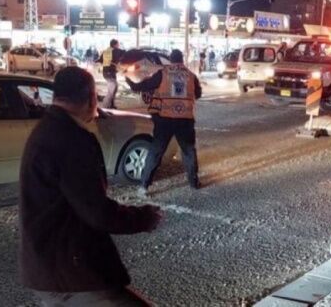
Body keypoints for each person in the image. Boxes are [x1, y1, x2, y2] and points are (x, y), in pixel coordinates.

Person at [19, 67, 162, 306]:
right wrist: (144, 218)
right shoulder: (73, 139)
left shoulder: (48, 128)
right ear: (91, 98)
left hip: (47, 267)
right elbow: (96, 210)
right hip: (69, 273)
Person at [125, 49, 202, 196]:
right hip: (185, 119)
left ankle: (144, 186)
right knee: (188, 151)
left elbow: (140, 86)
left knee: (156, 152)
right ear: (182, 60)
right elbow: (198, 94)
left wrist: (128, 79)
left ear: (171, 60)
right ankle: (193, 182)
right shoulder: (191, 76)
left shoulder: (163, 73)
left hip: (164, 119)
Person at [98, 39, 124, 109]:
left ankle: (111, 105)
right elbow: (125, 53)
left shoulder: (105, 51)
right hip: (110, 72)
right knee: (113, 88)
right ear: (115, 45)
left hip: (106, 72)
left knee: (113, 88)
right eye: (118, 44)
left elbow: (100, 60)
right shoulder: (116, 51)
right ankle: (105, 106)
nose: (118, 46)